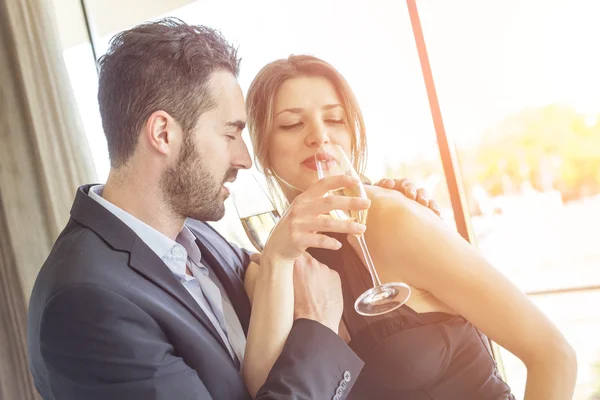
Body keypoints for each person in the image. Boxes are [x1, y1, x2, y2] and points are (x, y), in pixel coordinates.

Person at [27, 19, 436, 400]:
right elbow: (307, 308)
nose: (244, 158)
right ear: (163, 134)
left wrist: (388, 210)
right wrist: (318, 328)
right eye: (230, 133)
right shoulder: (84, 305)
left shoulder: (197, 236)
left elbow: (284, 287)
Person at [243, 54, 578, 399]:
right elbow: (267, 389)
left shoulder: (394, 220)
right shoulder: (271, 269)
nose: (319, 136)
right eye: (291, 124)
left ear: (353, 134)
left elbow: (554, 356)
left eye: (334, 119)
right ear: (262, 148)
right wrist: (275, 263)